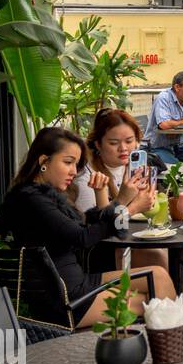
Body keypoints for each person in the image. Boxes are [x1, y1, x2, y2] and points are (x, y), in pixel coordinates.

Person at [0, 127, 177, 329]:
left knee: (158, 276)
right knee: (154, 297)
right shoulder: (34, 200)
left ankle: (166, 346)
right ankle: (170, 348)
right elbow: (83, 237)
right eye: (68, 162)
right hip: (68, 301)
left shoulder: (34, 196)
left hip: (73, 286)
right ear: (43, 161)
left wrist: (110, 196)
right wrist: (132, 207)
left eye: (76, 164)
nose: (74, 171)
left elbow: (85, 227)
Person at [69, 108, 168, 274]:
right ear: (98, 144)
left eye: (129, 141)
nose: (123, 148)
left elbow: (149, 210)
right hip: (100, 254)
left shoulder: (134, 168)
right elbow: (96, 229)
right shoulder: (88, 177)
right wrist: (130, 203)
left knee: (161, 255)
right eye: (114, 143)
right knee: (156, 259)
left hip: (130, 241)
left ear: (137, 141)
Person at [144, 70, 183, 165]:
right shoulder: (163, 98)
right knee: (179, 169)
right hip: (157, 148)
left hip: (179, 146)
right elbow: (163, 124)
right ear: (177, 87)